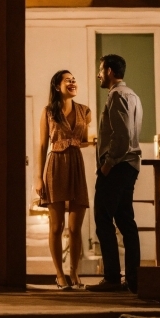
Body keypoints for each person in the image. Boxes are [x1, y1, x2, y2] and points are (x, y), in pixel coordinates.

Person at [87, 54, 142, 293]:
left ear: (109, 71)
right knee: (125, 222)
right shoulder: (133, 95)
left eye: (101, 70)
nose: (99, 74)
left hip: (118, 166)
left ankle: (112, 278)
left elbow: (121, 136)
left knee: (103, 219)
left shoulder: (117, 95)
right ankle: (133, 279)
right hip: (129, 165)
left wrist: (107, 165)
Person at [35, 70, 92, 290]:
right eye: (67, 80)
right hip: (56, 166)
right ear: (57, 86)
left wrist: (92, 142)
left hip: (76, 166)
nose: (73, 82)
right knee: (56, 227)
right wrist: (38, 178)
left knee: (75, 227)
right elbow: (41, 145)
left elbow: (86, 139)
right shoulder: (48, 112)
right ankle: (59, 275)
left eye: (74, 80)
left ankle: (74, 273)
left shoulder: (85, 111)